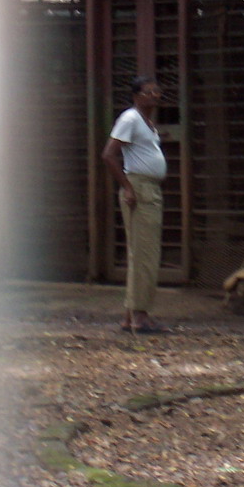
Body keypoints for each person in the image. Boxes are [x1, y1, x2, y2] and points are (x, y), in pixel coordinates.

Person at [101, 76, 170, 334]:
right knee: (145, 255)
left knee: (140, 254)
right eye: (150, 92)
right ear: (137, 95)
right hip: (139, 188)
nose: (155, 96)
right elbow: (108, 154)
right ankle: (140, 316)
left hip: (148, 188)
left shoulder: (146, 123)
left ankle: (131, 315)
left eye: (157, 92)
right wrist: (128, 187)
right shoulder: (130, 119)